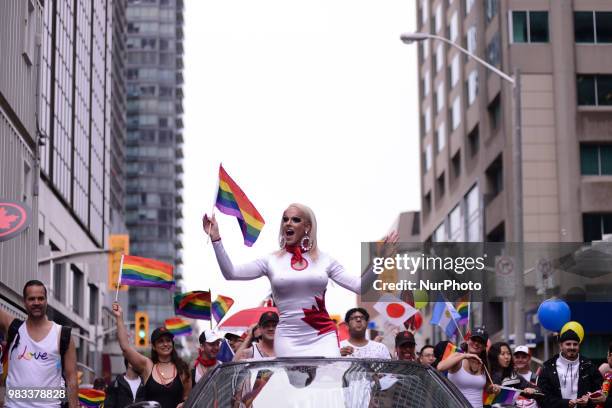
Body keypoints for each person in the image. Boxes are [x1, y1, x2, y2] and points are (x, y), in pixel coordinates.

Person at [202, 203, 398, 357]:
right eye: (285, 219)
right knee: (294, 389)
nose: (288, 223)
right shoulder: (271, 260)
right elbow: (231, 273)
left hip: (323, 335)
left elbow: (360, 286)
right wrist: (216, 239)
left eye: (295, 220)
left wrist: (381, 260)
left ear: (307, 227)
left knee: (326, 389)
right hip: (288, 337)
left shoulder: (324, 260)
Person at [0, 280, 78, 408]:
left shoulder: (62, 335)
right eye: (31, 299)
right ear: (24, 301)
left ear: (46, 300)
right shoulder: (14, 328)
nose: (36, 302)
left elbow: (72, 380)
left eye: (41, 298)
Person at [112, 302, 190, 408]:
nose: (165, 344)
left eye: (168, 340)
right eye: (161, 341)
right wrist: (119, 318)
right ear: (154, 346)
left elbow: (189, 398)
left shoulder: (182, 368)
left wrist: (184, 404)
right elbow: (125, 348)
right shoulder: (147, 365)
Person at [538, 328, 605, 408]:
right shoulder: (548, 367)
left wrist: (589, 400)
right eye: (568, 344)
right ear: (561, 346)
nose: (572, 347)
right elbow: (543, 397)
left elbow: (600, 391)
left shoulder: (589, 365)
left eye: (575, 344)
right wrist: (565, 403)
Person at [437, 327, 498, 408]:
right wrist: (465, 356)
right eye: (474, 339)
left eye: (480, 342)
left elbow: (486, 388)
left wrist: (494, 389)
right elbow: (440, 367)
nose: (476, 343)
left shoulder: (484, 363)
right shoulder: (457, 356)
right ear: (468, 340)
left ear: (484, 347)